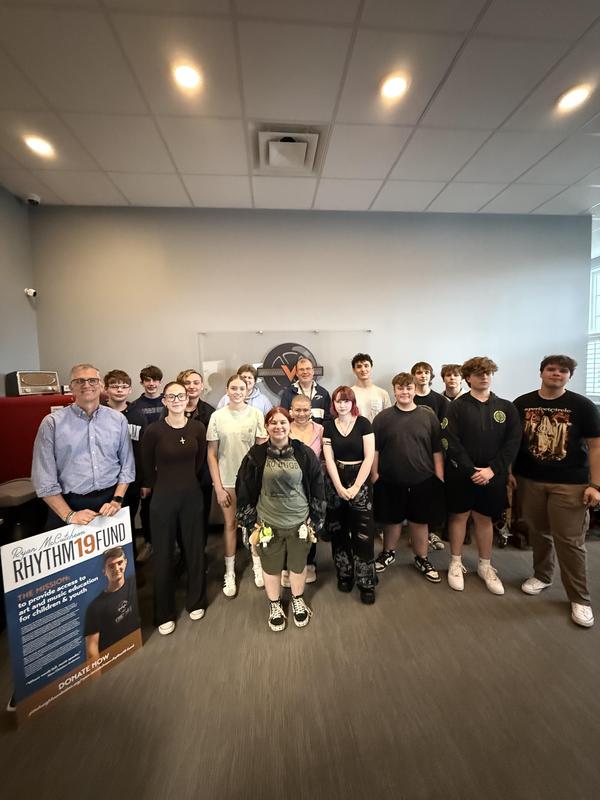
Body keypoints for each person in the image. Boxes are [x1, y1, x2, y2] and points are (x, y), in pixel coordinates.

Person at [513, 355, 600, 628]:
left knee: (570, 540)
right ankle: (542, 575)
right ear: (541, 372)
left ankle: (580, 598)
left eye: (563, 371)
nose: (556, 374)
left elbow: (596, 447)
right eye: (551, 369)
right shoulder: (522, 403)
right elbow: (513, 443)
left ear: (569, 376)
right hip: (530, 480)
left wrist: (596, 485)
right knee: (538, 532)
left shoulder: (582, 406)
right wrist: (509, 474)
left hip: (570, 483)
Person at [236, 407, 325, 631]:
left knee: (297, 565)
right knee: (271, 566)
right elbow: (244, 489)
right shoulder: (255, 456)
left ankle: (297, 599)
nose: (278, 426)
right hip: (267, 523)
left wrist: (315, 518)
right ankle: (275, 604)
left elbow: (317, 486)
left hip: (299, 522)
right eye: (273, 422)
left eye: (283, 422)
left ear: (290, 423)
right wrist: (250, 521)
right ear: (266, 426)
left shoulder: (304, 453)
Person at [443, 357, 521, 595]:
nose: (484, 377)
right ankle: (456, 562)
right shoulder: (456, 407)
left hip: (492, 474)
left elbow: (513, 442)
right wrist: (470, 470)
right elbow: (449, 441)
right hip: (462, 473)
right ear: (468, 378)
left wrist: (492, 470)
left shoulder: (506, 407)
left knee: (484, 519)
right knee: (459, 517)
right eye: (478, 374)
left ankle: (485, 566)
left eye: (487, 373)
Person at [32, 363, 135, 530]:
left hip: (111, 503)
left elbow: (127, 466)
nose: (87, 385)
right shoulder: (52, 423)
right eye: (80, 381)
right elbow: (44, 480)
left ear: (101, 386)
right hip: (69, 505)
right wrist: (70, 515)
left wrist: (117, 500)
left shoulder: (118, 420)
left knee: (116, 555)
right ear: (71, 387)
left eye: (92, 380)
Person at [141, 381, 208, 635]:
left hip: (191, 495)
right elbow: (147, 465)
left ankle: (195, 601)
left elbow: (200, 460)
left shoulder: (197, 428)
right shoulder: (154, 431)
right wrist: (156, 486)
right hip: (163, 498)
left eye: (181, 395)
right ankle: (164, 613)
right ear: (165, 401)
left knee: (194, 550)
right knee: (164, 554)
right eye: (172, 396)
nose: (178, 399)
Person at [372, 372, 445, 583]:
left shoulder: (428, 416)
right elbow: (375, 450)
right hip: (390, 478)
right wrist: (375, 476)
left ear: (415, 390)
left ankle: (422, 558)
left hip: (423, 479)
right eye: (401, 388)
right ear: (394, 390)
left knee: (419, 521)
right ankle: (388, 553)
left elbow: (436, 449)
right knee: (392, 520)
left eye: (409, 388)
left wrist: (439, 477)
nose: (405, 392)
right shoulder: (383, 418)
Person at [206, 374, 267, 597]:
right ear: (227, 390)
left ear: (247, 390)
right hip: (228, 479)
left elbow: (262, 451)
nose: (238, 391)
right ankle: (230, 572)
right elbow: (211, 454)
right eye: (234, 388)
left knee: (255, 525)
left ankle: (258, 565)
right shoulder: (217, 417)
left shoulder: (256, 415)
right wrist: (218, 487)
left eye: (242, 388)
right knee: (230, 524)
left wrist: (261, 482)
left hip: (251, 481)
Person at [323, 386, 377, 603]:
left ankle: (366, 583)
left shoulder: (364, 423)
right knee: (338, 531)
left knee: (363, 534)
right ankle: (344, 574)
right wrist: (338, 486)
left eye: (346, 401)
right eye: (338, 401)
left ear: (352, 403)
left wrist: (355, 487)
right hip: (336, 480)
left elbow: (369, 457)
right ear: (333, 404)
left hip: (360, 481)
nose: (342, 404)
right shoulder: (328, 427)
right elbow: (328, 459)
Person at [103, 369, 147, 566]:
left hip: (133, 480)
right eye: (114, 386)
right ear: (106, 389)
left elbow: (143, 451)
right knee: (106, 526)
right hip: (107, 482)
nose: (119, 390)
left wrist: (146, 481)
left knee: (127, 522)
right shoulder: (98, 415)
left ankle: (130, 565)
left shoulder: (138, 416)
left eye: (123, 386)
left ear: (130, 390)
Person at [287, 393, 323, 585]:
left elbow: (326, 458)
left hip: (313, 486)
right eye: (297, 410)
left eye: (305, 410)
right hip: (288, 487)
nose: (301, 413)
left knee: (311, 523)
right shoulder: (284, 428)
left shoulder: (320, 430)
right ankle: (288, 564)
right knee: (289, 525)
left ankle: (309, 562)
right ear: (291, 410)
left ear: (311, 411)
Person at [129, 364, 164, 559]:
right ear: (142, 382)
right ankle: (150, 542)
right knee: (148, 508)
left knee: (166, 506)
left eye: (155, 380)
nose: (151, 384)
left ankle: (168, 542)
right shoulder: (135, 408)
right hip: (147, 466)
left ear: (160, 382)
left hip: (167, 464)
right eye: (147, 380)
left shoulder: (168, 403)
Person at [177, 368, 216, 532]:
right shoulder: (169, 410)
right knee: (179, 517)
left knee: (201, 516)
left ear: (202, 387)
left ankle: (200, 553)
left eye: (196, 383)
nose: (191, 386)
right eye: (187, 383)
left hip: (202, 475)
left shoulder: (210, 413)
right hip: (176, 475)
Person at [84, 546, 140, 659]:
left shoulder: (133, 583)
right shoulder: (95, 607)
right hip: (113, 659)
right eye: (111, 566)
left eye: (119, 563)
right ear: (104, 571)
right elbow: (92, 649)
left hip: (137, 647)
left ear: (125, 563)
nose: (116, 568)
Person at [280, 356, 331, 424]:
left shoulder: (323, 393)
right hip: (295, 433)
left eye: (308, 368)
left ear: (313, 371)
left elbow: (328, 420)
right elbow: (284, 419)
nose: (305, 372)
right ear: (296, 373)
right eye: (301, 369)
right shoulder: (288, 393)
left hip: (318, 433)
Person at [350, 353, 391, 422]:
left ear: (371, 367)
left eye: (366, 366)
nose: (363, 369)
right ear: (354, 370)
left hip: (378, 432)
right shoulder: (350, 393)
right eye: (359, 366)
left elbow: (389, 418)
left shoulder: (382, 393)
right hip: (357, 432)